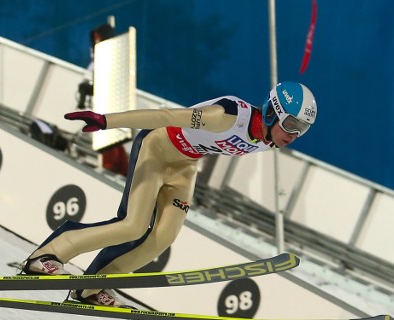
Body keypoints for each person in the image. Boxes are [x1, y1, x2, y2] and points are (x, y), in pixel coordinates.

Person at [22, 81, 317, 307]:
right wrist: (107, 120)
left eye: (302, 129)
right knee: (133, 225)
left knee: (163, 236)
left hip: (185, 165)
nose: (293, 134)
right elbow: (165, 115)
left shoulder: (269, 140)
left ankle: (92, 286)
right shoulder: (227, 116)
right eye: (291, 124)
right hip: (158, 147)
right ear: (270, 112)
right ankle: (46, 255)